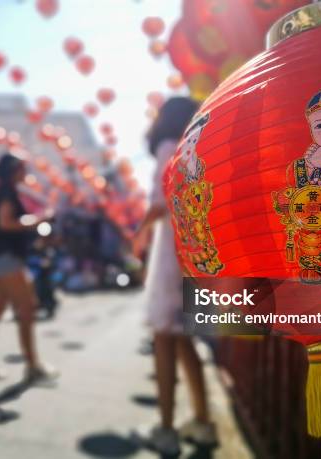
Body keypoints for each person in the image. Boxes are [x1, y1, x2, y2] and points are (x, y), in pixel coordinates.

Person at [132, 97, 218, 455]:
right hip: (196, 250)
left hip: (172, 251)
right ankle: (203, 422)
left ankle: (166, 428)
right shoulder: (201, 144)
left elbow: (160, 199)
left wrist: (138, 232)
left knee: (164, 339)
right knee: (184, 340)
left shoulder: (170, 145)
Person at [0, 153, 57, 383]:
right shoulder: (7, 192)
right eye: (22, 168)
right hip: (4, 258)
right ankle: (33, 366)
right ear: (13, 170)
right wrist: (38, 220)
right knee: (28, 308)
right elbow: (4, 222)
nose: (26, 173)